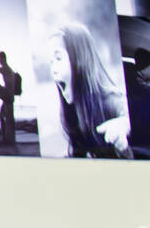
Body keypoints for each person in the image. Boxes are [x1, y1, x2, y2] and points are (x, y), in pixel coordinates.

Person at [46, 24, 132, 158]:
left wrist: (125, 125)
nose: (53, 70)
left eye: (58, 58)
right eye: (51, 61)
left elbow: (127, 116)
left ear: (80, 60)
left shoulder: (113, 101)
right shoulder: (72, 112)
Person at [0, 52, 19, 146]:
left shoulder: (4, 68)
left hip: (7, 96)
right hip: (9, 97)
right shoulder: (8, 69)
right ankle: (7, 138)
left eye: (0, 59)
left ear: (3, 59)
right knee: (2, 116)